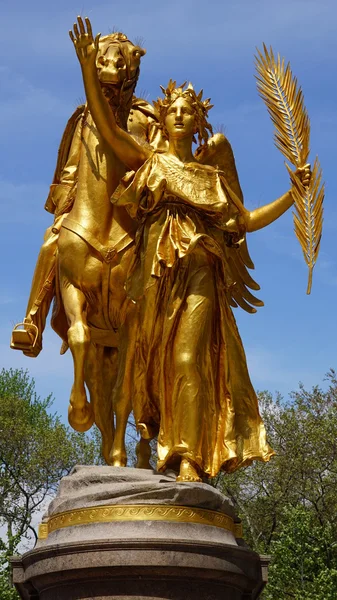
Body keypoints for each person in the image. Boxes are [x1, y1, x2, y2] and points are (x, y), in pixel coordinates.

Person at [70, 17, 311, 481]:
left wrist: (290, 197)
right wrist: (87, 72)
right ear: (162, 117)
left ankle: (189, 458)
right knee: (152, 367)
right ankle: (154, 439)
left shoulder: (212, 176)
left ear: (200, 120)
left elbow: (243, 221)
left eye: (188, 110)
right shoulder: (150, 162)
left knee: (186, 360)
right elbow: (107, 128)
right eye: (173, 109)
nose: (179, 114)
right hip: (155, 280)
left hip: (200, 270)